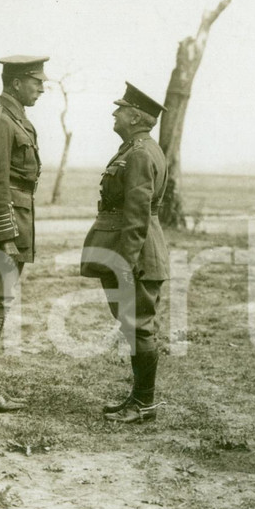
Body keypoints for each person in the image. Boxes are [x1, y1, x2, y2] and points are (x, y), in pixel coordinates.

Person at [80, 82, 169, 423]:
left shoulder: (141, 153)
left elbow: (137, 216)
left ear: (134, 117)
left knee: (139, 325)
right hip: (135, 252)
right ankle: (138, 398)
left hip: (138, 254)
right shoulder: (136, 148)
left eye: (120, 109)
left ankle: (144, 404)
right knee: (133, 324)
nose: (114, 114)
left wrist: (124, 262)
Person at [0, 55, 49, 412]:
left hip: (16, 216)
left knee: (0, 299)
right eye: (37, 82)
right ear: (16, 82)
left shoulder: (15, 117)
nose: (42, 88)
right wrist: (6, 236)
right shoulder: (0, 122)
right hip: (4, 221)